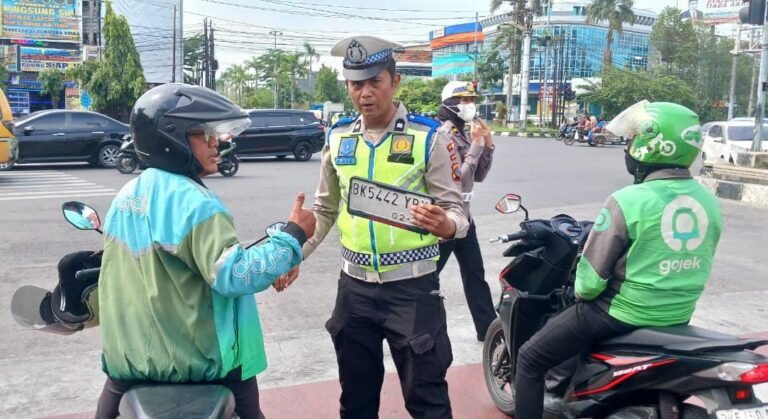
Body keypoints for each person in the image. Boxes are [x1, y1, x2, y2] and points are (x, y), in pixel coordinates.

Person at [95, 84, 316, 419]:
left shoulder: (127, 195)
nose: (216, 143)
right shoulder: (196, 203)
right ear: (172, 140)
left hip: (130, 362)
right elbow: (236, 276)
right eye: (204, 134)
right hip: (203, 362)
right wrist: (294, 236)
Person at [275, 35, 469, 418]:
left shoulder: (429, 137)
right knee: (356, 402)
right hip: (355, 291)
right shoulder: (338, 138)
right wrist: (293, 253)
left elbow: (457, 211)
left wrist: (446, 225)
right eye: (355, 84)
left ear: (394, 81)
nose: (364, 93)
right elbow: (324, 210)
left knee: (428, 401)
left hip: (413, 290)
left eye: (374, 82)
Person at [513, 101, 723, 419]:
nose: (628, 146)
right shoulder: (709, 201)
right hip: (678, 314)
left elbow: (588, 285)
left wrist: (584, 286)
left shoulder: (628, 200)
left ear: (654, 143)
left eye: (633, 138)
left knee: (530, 359)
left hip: (620, 313)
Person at [435, 80, 497, 342]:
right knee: (427, 279)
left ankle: (489, 331)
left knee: (475, 275)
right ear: (450, 104)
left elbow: (479, 175)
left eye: (471, 100)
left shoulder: (462, 132)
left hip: (465, 217)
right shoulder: (443, 135)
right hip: (445, 219)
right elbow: (459, 179)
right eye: (464, 100)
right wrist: (476, 145)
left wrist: (487, 144)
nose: (469, 105)